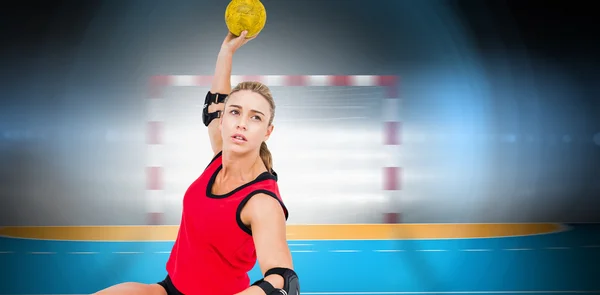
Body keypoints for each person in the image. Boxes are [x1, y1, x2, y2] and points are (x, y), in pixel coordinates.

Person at [93, 30, 299, 295]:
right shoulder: (219, 157)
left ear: (268, 132)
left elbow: (283, 280)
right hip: (168, 289)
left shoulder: (262, 201)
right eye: (235, 112)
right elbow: (214, 105)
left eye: (256, 118)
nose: (242, 123)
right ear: (224, 120)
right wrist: (227, 52)